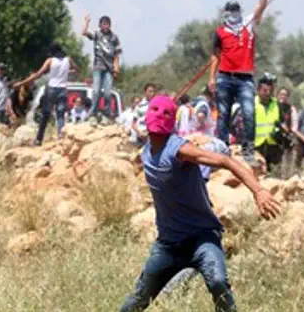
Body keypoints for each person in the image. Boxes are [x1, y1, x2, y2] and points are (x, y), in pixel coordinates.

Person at [118, 95, 281, 312]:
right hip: (169, 243)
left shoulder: (180, 150)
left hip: (202, 238)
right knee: (138, 299)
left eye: (164, 113)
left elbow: (225, 161)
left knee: (217, 283)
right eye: (156, 111)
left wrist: (258, 191)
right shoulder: (146, 151)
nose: (158, 117)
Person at [208, 0, 270, 166]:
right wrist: (211, 78)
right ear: (225, 13)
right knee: (223, 114)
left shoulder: (249, 25)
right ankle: (223, 147)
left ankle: (248, 149)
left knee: (249, 112)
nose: (233, 14)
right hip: (225, 77)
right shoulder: (220, 32)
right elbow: (215, 56)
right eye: (230, 11)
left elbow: (262, 5)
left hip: (244, 78)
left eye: (236, 10)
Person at [14, 43, 79, 145]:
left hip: (51, 89)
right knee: (60, 115)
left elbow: (38, 75)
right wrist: (67, 72)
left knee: (45, 115)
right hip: (63, 90)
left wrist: (21, 83)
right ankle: (61, 138)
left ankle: (39, 139)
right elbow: (76, 69)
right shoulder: (68, 60)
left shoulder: (50, 61)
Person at [83, 13, 122, 122]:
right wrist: (86, 22)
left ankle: (106, 113)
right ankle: (93, 114)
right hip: (98, 67)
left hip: (109, 69)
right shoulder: (97, 34)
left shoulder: (114, 37)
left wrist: (116, 68)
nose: (106, 26)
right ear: (100, 25)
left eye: (108, 24)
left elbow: (117, 54)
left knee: (108, 93)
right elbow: (84, 33)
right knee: (96, 91)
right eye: (104, 24)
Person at [254, 75, 284, 170]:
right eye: (265, 90)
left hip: (273, 145)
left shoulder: (276, 104)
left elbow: (282, 122)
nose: (268, 93)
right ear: (258, 90)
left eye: (270, 91)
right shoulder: (251, 103)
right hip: (256, 145)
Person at [276, 87, 298, 164]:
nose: (283, 96)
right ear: (277, 95)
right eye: (281, 94)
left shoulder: (291, 108)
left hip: (288, 136)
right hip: (275, 136)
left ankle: (287, 174)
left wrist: (292, 134)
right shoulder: (274, 106)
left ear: (288, 97)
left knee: (288, 158)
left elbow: (294, 123)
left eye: (285, 95)